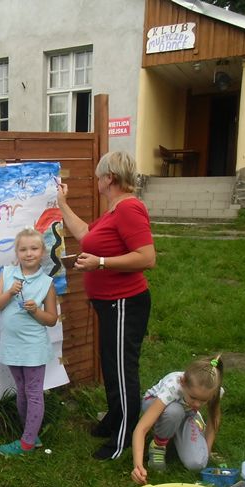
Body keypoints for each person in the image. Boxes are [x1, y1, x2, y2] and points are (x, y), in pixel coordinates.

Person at [56, 151, 155, 460]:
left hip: (125, 303)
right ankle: (115, 417)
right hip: (110, 304)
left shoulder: (129, 209)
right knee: (111, 364)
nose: (96, 181)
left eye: (99, 176)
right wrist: (61, 204)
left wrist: (100, 262)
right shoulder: (114, 210)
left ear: (109, 178)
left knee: (123, 369)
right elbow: (86, 234)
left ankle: (124, 436)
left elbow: (147, 257)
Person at [0, 227, 58, 456]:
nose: (29, 253)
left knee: (34, 392)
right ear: (17, 252)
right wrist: (9, 293)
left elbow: (51, 320)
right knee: (22, 390)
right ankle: (31, 435)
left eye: (34, 248)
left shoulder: (46, 283)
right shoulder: (7, 274)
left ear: (42, 251)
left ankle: (26, 443)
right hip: (11, 344)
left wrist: (36, 311)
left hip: (34, 347)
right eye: (23, 249)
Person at [131, 356, 224, 485]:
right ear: (182, 382)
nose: (197, 404)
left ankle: (190, 424)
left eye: (203, 400)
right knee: (174, 411)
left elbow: (213, 421)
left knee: (197, 464)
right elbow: (141, 428)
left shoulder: (214, 391)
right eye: (193, 397)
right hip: (156, 405)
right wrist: (138, 466)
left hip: (186, 413)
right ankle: (158, 445)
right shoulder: (172, 387)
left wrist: (206, 452)